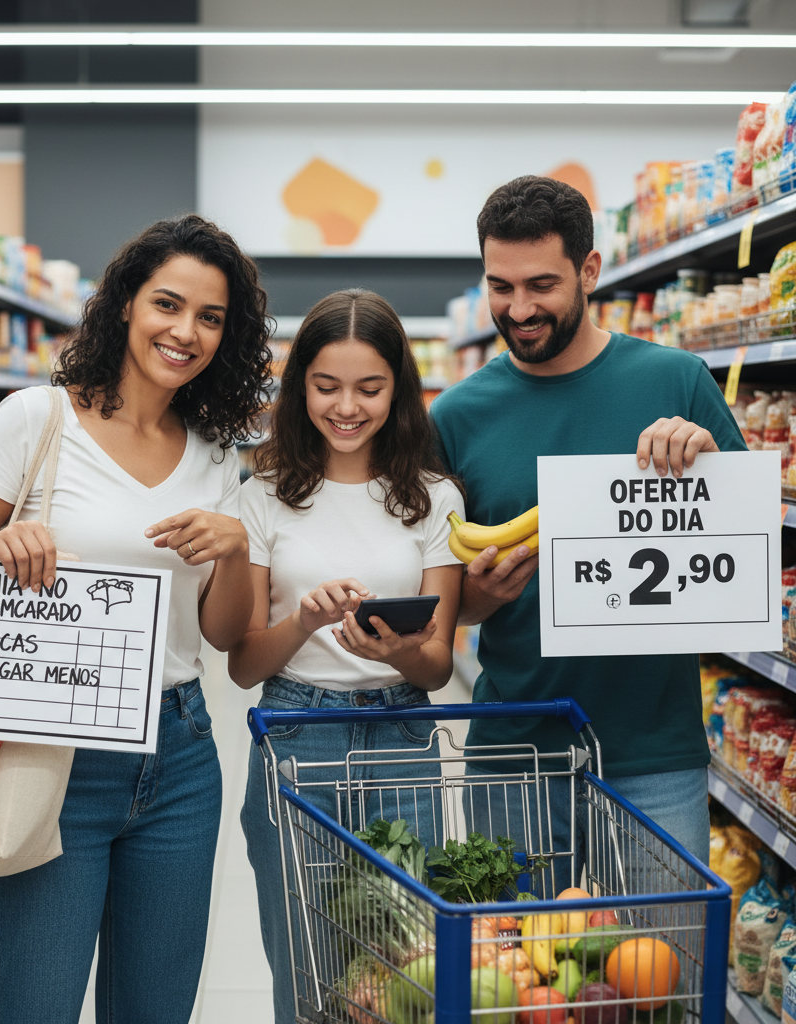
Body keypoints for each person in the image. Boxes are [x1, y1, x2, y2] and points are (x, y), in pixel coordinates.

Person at [0, 214, 272, 1024]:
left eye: (211, 318)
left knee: (155, 1007)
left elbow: (222, 634)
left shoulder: (219, 458)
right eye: (168, 304)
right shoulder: (37, 419)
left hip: (180, 751)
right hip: (53, 746)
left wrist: (233, 546)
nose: (185, 331)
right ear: (125, 304)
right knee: (35, 1002)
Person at [429, 175, 746, 879]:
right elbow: (447, 597)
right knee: (518, 981)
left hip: (654, 754)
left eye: (541, 284)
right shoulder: (455, 416)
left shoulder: (677, 382)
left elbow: (745, 561)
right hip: (514, 752)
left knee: (661, 979)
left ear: (590, 270)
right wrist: (483, 596)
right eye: (500, 286)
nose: (518, 308)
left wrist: (706, 458)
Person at [229, 289, 464, 1023]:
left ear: (399, 390)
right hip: (296, 734)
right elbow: (243, 666)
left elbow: (439, 666)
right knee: (308, 964)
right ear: (300, 385)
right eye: (327, 386)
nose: (347, 407)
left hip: (403, 737)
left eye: (370, 388)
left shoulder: (435, 500)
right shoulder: (261, 496)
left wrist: (399, 650)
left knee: (405, 967)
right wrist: (304, 619)